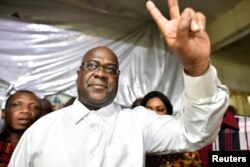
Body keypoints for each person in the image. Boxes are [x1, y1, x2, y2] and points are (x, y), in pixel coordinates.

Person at [8, 0, 229, 166]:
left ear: (117, 79)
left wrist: (197, 65)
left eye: (111, 69)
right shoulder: (41, 130)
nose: (101, 73)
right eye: (92, 66)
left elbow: (195, 133)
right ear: (78, 74)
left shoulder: (139, 122)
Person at [141, 91, 201, 167]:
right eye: (149, 110)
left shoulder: (183, 144)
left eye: (159, 110)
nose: (153, 115)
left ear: (168, 114)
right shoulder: (135, 143)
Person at [0, 90, 41, 167]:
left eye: (34, 107)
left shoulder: (42, 148)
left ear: (40, 116)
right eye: (17, 105)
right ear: (4, 113)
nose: (26, 111)